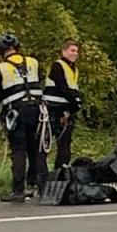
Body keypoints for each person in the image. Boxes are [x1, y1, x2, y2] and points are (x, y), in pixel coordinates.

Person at [0, 32, 49, 204]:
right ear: (17, 48)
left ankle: (18, 190)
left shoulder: (1, 68)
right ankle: (42, 187)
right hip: (37, 110)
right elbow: (40, 80)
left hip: (16, 113)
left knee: (19, 150)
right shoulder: (33, 62)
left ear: (0, 51)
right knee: (37, 149)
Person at [44, 39, 81, 170]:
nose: (75, 53)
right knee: (45, 144)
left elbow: (72, 89)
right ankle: (40, 175)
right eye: (72, 50)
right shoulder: (58, 65)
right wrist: (74, 103)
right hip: (53, 109)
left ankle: (60, 173)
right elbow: (62, 87)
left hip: (66, 109)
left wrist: (75, 103)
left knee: (65, 144)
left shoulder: (73, 68)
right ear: (64, 51)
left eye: (77, 51)